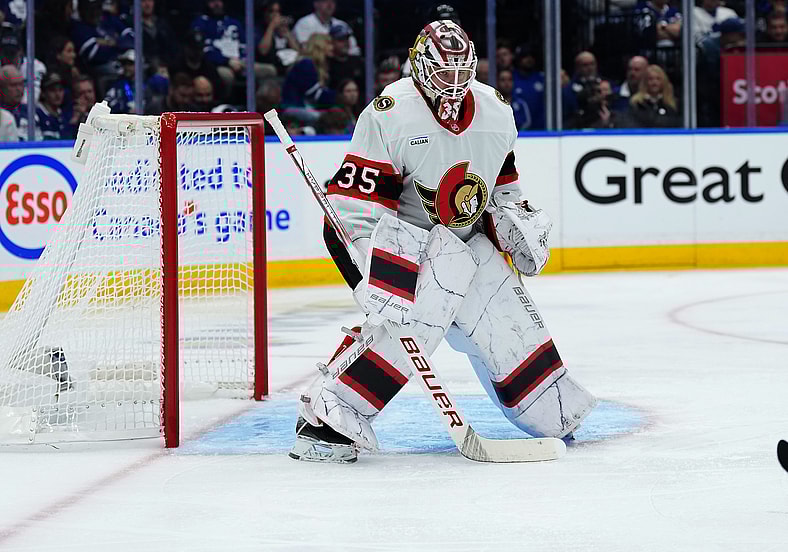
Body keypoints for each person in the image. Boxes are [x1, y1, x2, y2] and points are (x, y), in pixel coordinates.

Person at [289, 20, 596, 464]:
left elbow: (502, 188)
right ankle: (328, 417)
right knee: (409, 321)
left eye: (461, 74)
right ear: (419, 65)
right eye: (442, 74)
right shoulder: (389, 113)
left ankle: (551, 407)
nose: (452, 87)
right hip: (410, 250)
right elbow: (350, 210)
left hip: (469, 242)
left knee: (516, 335)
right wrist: (373, 274)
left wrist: (514, 224)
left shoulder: (496, 111)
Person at [281, 33, 335, 123]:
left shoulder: (319, 65)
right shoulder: (306, 63)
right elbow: (314, 94)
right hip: (293, 107)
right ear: (319, 45)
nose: (332, 47)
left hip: (307, 106)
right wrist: (338, 97)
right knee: (325, 119)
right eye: (329, 44)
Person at [293, 0, 360, 56]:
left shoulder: (341, 25)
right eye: (325, 1)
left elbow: (354, 50)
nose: (329, 5)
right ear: (316, 4)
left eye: (332, 1)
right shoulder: (304, 23)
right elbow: (304, 49)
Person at [18, 72, 72, 140]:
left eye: (60, 90)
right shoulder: (35, 115)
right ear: (43, 93)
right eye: (52, 90)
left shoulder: (64, 115)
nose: (58, 95)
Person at [256, 0, 300, 76]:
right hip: (268, 65)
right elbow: (263, 51)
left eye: (278, 11)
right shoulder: (259, 30)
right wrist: (271, 27)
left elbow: (298, 52)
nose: (276, 15)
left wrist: (288, 35)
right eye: (272, 12)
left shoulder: (284, 29)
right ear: (265, 14)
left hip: (285, 65)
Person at [327, 23, 363, 91]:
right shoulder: (327, 64)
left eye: (346, 39)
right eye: (341, 40)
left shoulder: (358, 61)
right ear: (332, 42)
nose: (345, 43)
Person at [104, 49, 136, 114]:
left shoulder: (146, 85)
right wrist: (126, 109)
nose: (127, 67)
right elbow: (108, 105)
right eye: (125, 64)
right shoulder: (117, 85)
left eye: (130, 64)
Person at [0, 64, 21, 141]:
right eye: (13, 85)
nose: (19, 89)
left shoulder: (31, 111)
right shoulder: (3, 116)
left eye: (21, 84)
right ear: (2, 88)